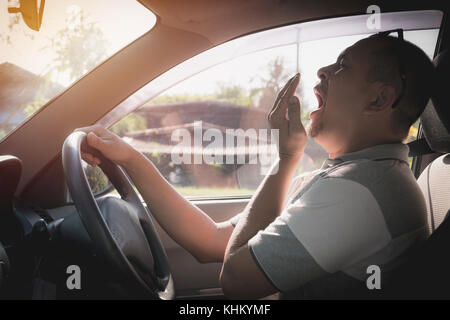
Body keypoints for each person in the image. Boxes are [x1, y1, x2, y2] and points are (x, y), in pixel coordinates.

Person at [77, 34, 436, 299]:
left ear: (379, 98)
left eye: (342, 65)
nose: (323, 71)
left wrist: (286, 159)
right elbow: (214, 241)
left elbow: (235, 282)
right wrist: (129, 158)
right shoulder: (346, 176)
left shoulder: (362, 192)